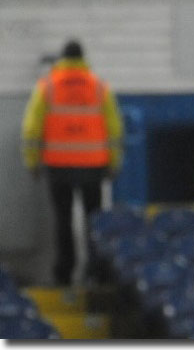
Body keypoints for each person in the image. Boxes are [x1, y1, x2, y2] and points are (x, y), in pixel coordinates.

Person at [21, 40, 123, 286]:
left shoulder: (47, 87)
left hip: (58, 167)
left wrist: (32, 162)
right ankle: (96, 272)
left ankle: (64, 273)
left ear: (62, 59)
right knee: (94, 222)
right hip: (93, 166)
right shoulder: (100, 87)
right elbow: (115, 129)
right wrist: (113, 163)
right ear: (83, 58)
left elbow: (31, 129)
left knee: (63, 221)